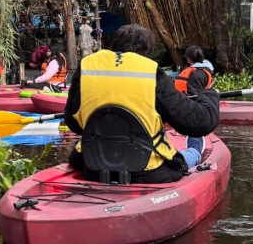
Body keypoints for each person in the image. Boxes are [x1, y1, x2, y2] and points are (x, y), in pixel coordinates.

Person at [64, 25, 219, 184]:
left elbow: (74, 124)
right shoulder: (154, 74)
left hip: (93, 168)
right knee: (192, 152)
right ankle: (194, 150)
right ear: (147, 52)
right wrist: (210, 95)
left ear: (114, 45)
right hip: (150, 172)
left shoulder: (86, 67)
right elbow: (199, 123)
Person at [174, 45, 216, 161]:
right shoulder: (206, 70)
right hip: (199, 105)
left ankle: (194, 145)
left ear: (188, 59)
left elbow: (193, 95)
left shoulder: (193, 73)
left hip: (189, 110)